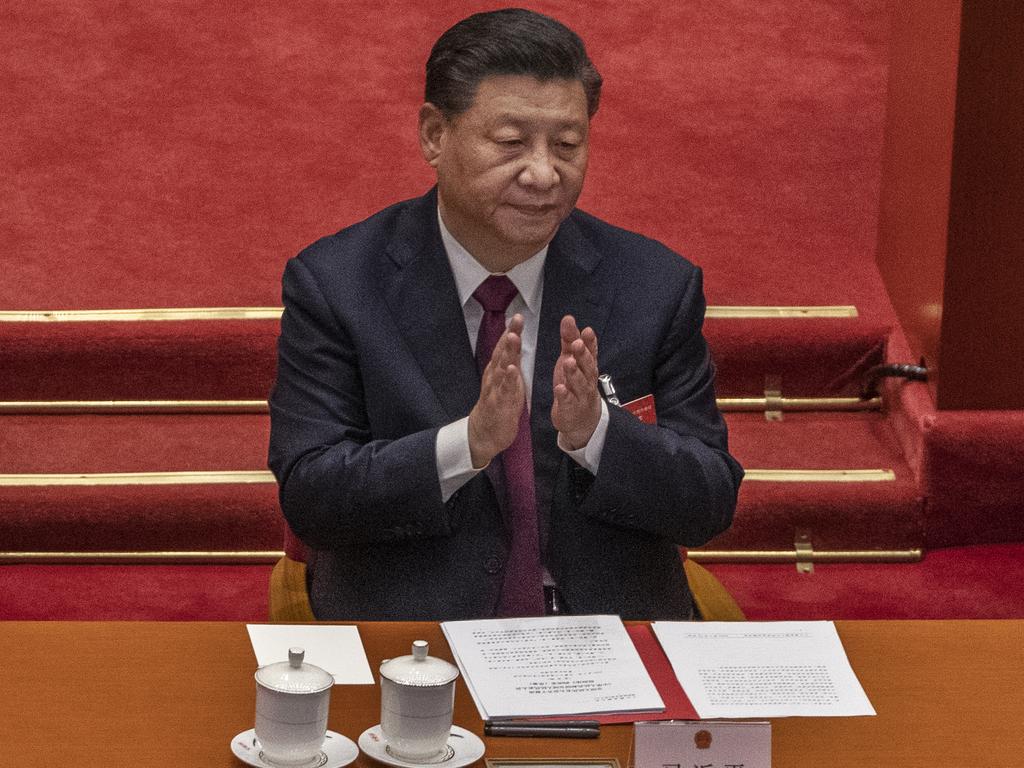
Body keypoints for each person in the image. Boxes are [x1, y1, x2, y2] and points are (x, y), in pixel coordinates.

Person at [268, 8, 742, 621]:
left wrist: (596, 435)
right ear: (435, 135)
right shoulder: (338, 284)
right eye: (512, 143)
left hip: (607, 638)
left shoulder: (654, 286)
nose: (545, 173)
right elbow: (313, 498)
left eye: (568, 145)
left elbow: (710, 503)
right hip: (418, 643)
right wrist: (464, 445)